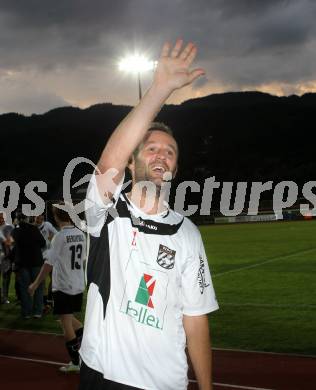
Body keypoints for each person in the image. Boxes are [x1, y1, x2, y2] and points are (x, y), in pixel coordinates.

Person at [80, 40, 219, 390]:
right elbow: (108, 163)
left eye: (169, 152)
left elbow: (196, 317)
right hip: (105, 376)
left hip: (167, 382)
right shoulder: (108, 213)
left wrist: (205, 386)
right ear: (132, 160)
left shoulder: (186, 232)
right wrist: (159, 89)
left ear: (176, 165)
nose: (161, 156)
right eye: (151, 148)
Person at [28, 205, 86, 373]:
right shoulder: (80, 234)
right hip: (77, 284)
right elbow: (82, 260)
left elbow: (49, 263)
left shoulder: (60, 237)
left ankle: (76, 362)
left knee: (65, 324)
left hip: (63, 285)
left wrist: (35, 284)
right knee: (68, 319)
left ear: (56, 217)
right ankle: (88, 341)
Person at [11, 213, 46, 318]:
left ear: (17, 220)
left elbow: (13, 246)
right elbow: (43, 243)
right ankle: (37, 312)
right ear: (26, 219)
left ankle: (26, 313)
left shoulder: (15, 231)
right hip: (36, 262)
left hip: (22, 263)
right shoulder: (34, 229)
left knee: (25, 288)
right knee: (38, 287)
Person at [34, 214, 58, 312]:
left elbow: (57, 234)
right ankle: (45, 303)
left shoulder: (47, 225)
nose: (38, 218)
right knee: (41, 280)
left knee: (53, 278)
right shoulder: (32, 227)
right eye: (36, 217)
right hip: (38, 257)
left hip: (49, 256)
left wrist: (51, 239)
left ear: (42, 217)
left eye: (39, 217)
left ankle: (49, 299)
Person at [0, 212, 14, 304]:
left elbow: (11, 241)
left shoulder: (9, 227)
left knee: (6, 278)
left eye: (1, 217)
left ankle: (5, 297)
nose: (1, 219)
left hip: (6, 256)